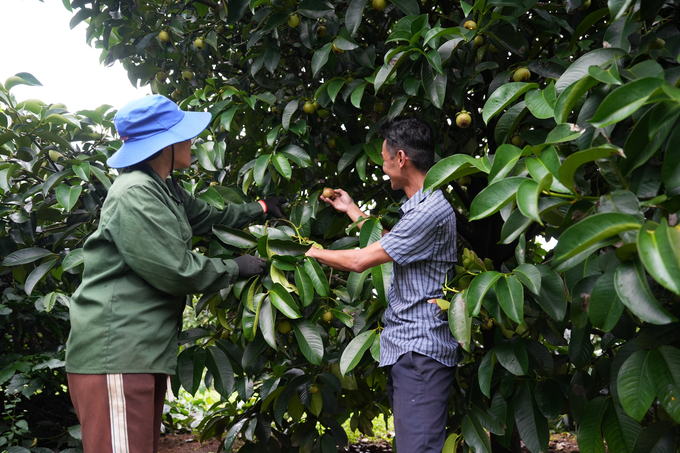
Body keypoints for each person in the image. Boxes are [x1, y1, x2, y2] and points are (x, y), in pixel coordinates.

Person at [65, 95, 285, 453]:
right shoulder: (135, 192)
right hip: (116, 351)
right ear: (164, 144)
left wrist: (259, 208)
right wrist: (235, 268)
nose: (192, 141)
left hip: (139, 353)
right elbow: (176, 270)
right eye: (185, 135)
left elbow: (207, 217)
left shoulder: (162, 187)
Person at [305, 116, 460, 453]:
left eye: (385, 158)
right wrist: (352, 211)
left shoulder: (428, 211)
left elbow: (361, 260)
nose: (384, 167)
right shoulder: (417, 208)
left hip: (420, 350)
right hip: (410, 349)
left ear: (401, 158)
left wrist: (308, 251)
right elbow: (392, 242)